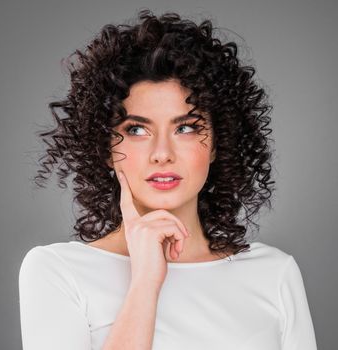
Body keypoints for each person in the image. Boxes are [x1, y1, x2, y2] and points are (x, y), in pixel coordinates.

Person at [18, 8, 318, 350]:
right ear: (105, 148)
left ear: (218, 144)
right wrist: (145, 283)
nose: (162, 153)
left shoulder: (274, 274)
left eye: (186, 127)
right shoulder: (58, 272)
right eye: (136, 129)